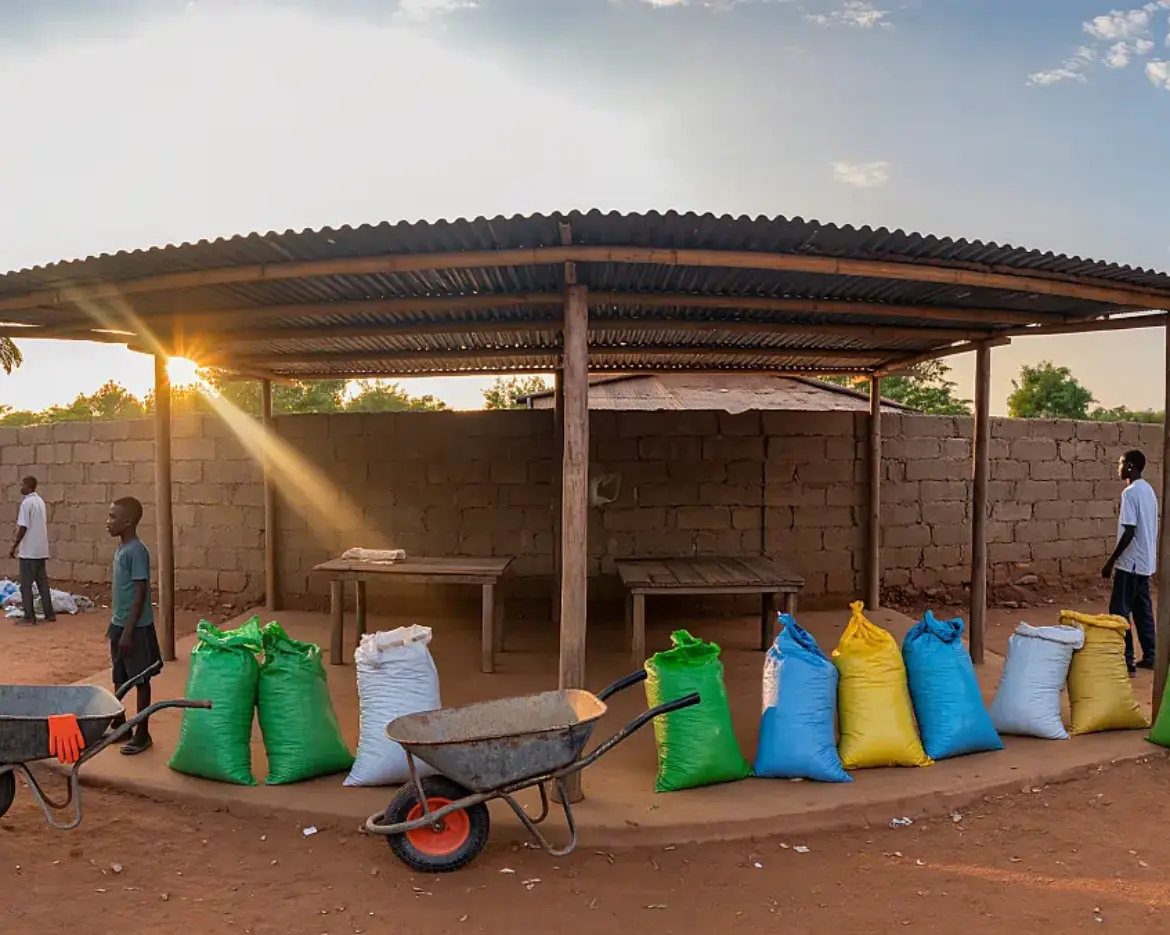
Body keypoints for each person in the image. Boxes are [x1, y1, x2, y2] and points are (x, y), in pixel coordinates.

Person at [106, 496, 162, 755]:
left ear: (128, 522)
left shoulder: (136, 551)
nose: (108, 522)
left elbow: (140, 593)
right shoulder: (121, 549)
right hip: (120, 625)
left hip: (136, 629)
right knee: (119, 676)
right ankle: (121, 724)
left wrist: (128, 630)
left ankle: (142, 732)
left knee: (140, 679)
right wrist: (115, 625)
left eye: (113, 517)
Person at [1102, 449, 1158, 676]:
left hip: (1131, 564)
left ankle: (1127, 661)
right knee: (1142, 611)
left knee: (1119, 611)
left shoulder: (1130, 493)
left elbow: (1129, 532)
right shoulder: (1149, 491)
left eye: (1121, 463)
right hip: (1145, 564)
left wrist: (1111, 562)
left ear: (1131, 466)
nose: (1119, 467)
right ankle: (1151, 655)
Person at [8, 475, 56, 626]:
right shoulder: (40, 502)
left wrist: (14, 546)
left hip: (29, 551)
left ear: (28, 487)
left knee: (26, 585)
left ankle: (29, 616)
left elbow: (23, 527)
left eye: (22, 485)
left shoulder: (26, 503)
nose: (20, 487)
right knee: (42, 583)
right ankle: (49, 614)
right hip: (41, 550)